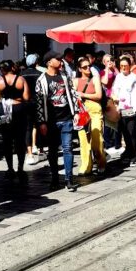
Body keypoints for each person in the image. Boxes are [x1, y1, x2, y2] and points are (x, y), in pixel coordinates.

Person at [35, 51, 79, 191]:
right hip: (51, 121)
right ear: (49, 62)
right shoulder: (41, 80)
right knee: (53, 151)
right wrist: (42, 122)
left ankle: (69, 179)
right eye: (57, 59)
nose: (60, 61)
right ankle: (55, 177)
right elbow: (39, 103)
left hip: (66, 117)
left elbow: (72, 94)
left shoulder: (64, 76)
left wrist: (76, 112)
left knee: (67, 148)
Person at [0, 59, 30, 182]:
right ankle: (20, 167)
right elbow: (26, 97)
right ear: (12, 67)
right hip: (19, 108)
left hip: (5, 110)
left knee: (7, 141)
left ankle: (10, 168)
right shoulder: (21, 79)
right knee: (20, 140)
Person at [112, 54, 136, 166]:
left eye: (125, 66)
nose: (123, 68)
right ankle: (129, 152)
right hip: (121, 109)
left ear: (129, 66)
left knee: (131, 132)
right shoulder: (118, 77)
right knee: (125, 133)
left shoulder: (134, 78)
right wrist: (115, 98)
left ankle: (133, 156)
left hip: (132, 109)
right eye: (121, 66)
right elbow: (115, 90)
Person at [74, 59, 106, 177]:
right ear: (79, 69)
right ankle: (86, 166)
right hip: (82, 111)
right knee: (83, 140)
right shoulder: (76, 81)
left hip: (95, 110)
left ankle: (101, 162)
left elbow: (98, 95)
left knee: (97, 139)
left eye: (89, 66)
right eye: (84, 67)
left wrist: (83, 95)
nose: (88, 69)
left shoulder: (95, 78)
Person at [21, 53, 43, 165]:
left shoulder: (21, 75)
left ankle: (29, 153)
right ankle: (40, 149)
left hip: (25, 103)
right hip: (38, 103)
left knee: (28, 128)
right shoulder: (40, 74)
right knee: (39, 125)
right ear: (36, 62)